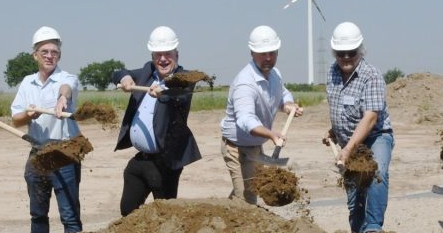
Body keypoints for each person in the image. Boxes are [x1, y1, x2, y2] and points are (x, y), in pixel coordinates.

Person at [112, 26, 201, 216]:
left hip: (165, 163)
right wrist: (125, 77)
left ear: (176, 54)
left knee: (165, 217)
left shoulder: (184, 79)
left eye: (167, 54)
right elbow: (118, 73)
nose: (162, 59)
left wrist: (164, 94)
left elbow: (181, 96)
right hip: (141, 160)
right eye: (157, 54)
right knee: (128, 213)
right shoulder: (146, 72)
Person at [10, 26, 83, 233]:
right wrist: (29, 115)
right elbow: (16, 119)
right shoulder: (27, 83)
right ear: (35, 55)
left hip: (64, 152)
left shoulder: (67, 78)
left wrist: (62, 99)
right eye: (45, 52)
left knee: (69, 215)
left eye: (54, 52)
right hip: (38, 152)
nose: (50, 56)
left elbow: (66, 89)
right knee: (38, 214)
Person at [220, 25, 303, 204]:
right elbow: (245, 120)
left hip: (255, 146)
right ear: (252, 52)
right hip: (237, 147)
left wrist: (288, 105)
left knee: (246, 192)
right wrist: (271, 134)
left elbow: (282, 93)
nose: (268, 58)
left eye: (272, 53)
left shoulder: (275, 74)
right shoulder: (245, 84)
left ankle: (223, 209)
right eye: (262, 54)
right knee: (247, 197)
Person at [325, 21, 394, 233]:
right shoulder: (332, 73)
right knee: (355, 196)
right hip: (348, 142)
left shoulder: (371, 75)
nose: (346, 58)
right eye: (341, 53)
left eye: (351, 53)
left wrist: (347, 150)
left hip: (375, 137)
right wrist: (333, 131)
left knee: (376, 172)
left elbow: (370, 118)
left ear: (360, 51)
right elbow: (340, 108)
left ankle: (373, 230)